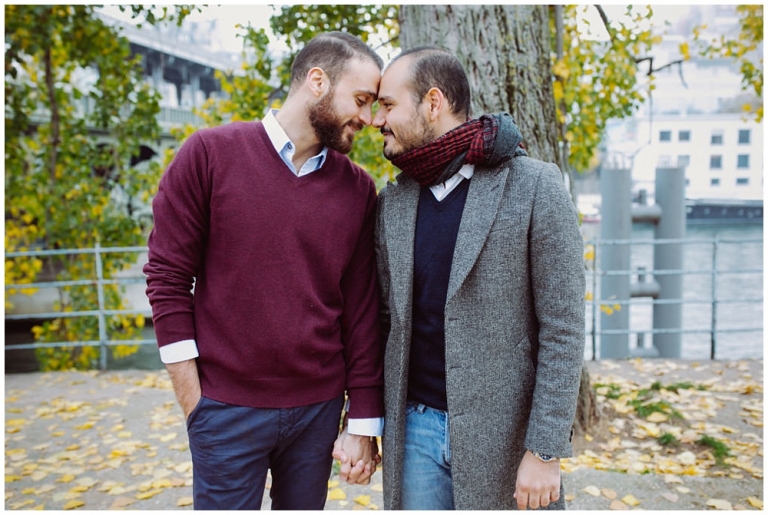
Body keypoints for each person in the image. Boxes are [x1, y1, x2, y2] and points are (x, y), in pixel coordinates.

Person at [143, 32, 384, 510]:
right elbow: (167, 280)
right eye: (360, 100)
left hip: (318, 412)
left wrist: (362, 420)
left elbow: (361, 313)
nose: (369, 119)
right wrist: (196, 405)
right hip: (224, 410)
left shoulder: (358, 189)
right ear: (317, 81)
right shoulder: (208, 155)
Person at [372, 47, 586, 510]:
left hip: (507, 437)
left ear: (433, 103)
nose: (376, 120)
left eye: (388, 105)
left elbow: (563, 331)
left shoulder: (535, 186)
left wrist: (545, 450)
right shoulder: (393, 201)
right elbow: (386, 324)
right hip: (413, 434)